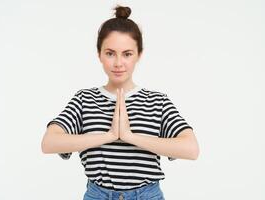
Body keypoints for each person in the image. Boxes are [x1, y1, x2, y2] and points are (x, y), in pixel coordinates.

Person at [41, 5, 199, 200]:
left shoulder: (157, 101)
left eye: (127, 54)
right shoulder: (84, 99)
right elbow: (49, 142)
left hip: (147, 195)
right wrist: (109, 135)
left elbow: (191, 149)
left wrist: (128, 136)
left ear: (138, 55)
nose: (118, 63)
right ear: (99, 54)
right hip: (98, 195)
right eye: (110, 53)